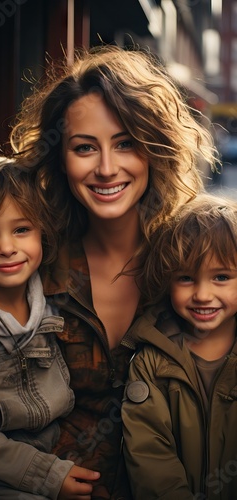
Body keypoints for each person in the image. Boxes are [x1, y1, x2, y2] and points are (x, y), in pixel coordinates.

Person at [9, 45, 218, 498]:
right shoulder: (27, 264)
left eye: (125, 143)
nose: (106, 169)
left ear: (155, 148)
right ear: (60, 158)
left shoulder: (200, 264)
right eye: (85, 148)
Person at [0, 153, 100, 500]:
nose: (7, 248)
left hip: (58, 456)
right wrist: (48, 478)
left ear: (43, 233)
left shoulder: (56, 301)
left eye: (22, 229)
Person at [122, 192, 237, 500]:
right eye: (186, 278)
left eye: (221, 277)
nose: (202, 294)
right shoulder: (150, 363)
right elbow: (149, 458)